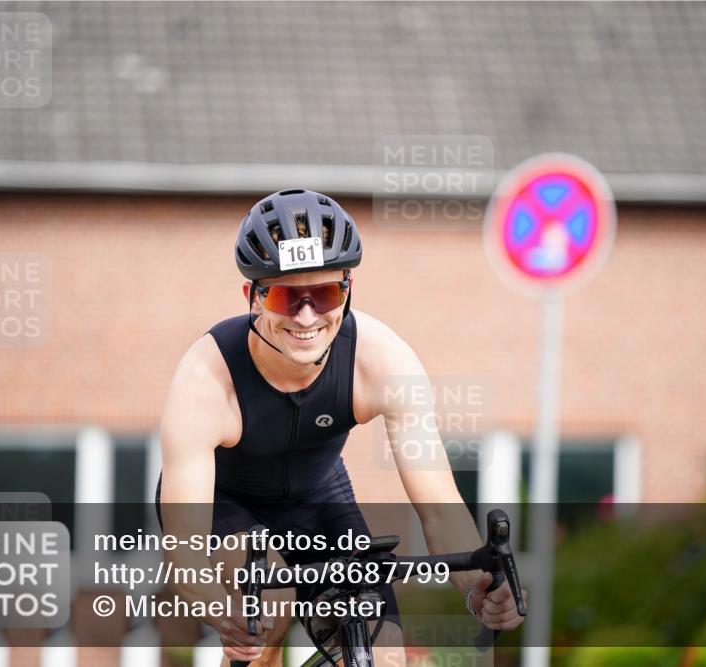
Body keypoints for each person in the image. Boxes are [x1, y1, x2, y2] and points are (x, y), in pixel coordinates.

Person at [156, 189, 525, 666]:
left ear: (348, 289)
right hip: (227, 507)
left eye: (325, 293)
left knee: (385, 651)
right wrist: (225, 615)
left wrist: (478, 587)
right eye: (288, 296)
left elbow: (438, 508)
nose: (307, 316)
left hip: (317, 499)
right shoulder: (206, 380)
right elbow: (185, 556)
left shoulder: (383, 361)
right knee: (270, 605)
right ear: (253, 297)